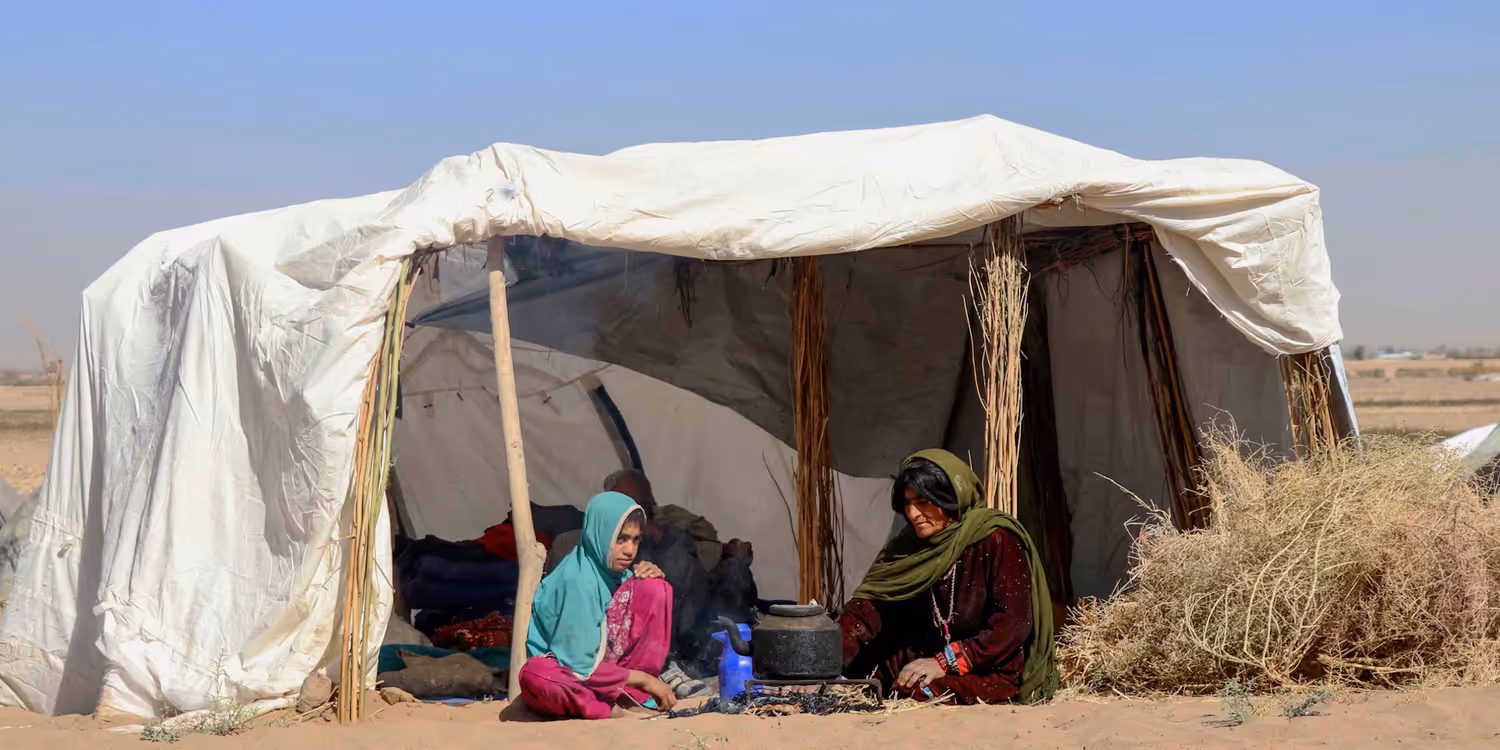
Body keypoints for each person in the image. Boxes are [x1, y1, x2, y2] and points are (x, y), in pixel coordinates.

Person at [838, 449, 1059, 705]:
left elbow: (1012, 625)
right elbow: (869, 610)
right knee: (865, 674)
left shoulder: (995, 540)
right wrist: (823, 659)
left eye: (923, 502)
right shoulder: (909, 547)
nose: (913, 514)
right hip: (927, 657)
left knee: (917, 690)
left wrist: (944, 662)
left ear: (950, 499)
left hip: (991, 670)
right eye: (908, 504)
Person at [518, 492, 678, 719]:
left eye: (635, 540)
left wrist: (650, 577)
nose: (630, 550)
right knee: (538, 676)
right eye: (620, 539)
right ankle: (605, 705)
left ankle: (630, 695)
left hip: (610, 675)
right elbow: (579, 666)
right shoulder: (576, 580)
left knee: (655, 587)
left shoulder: (616, 575)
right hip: (570, 674)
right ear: (599, 535)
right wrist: (645, 679)